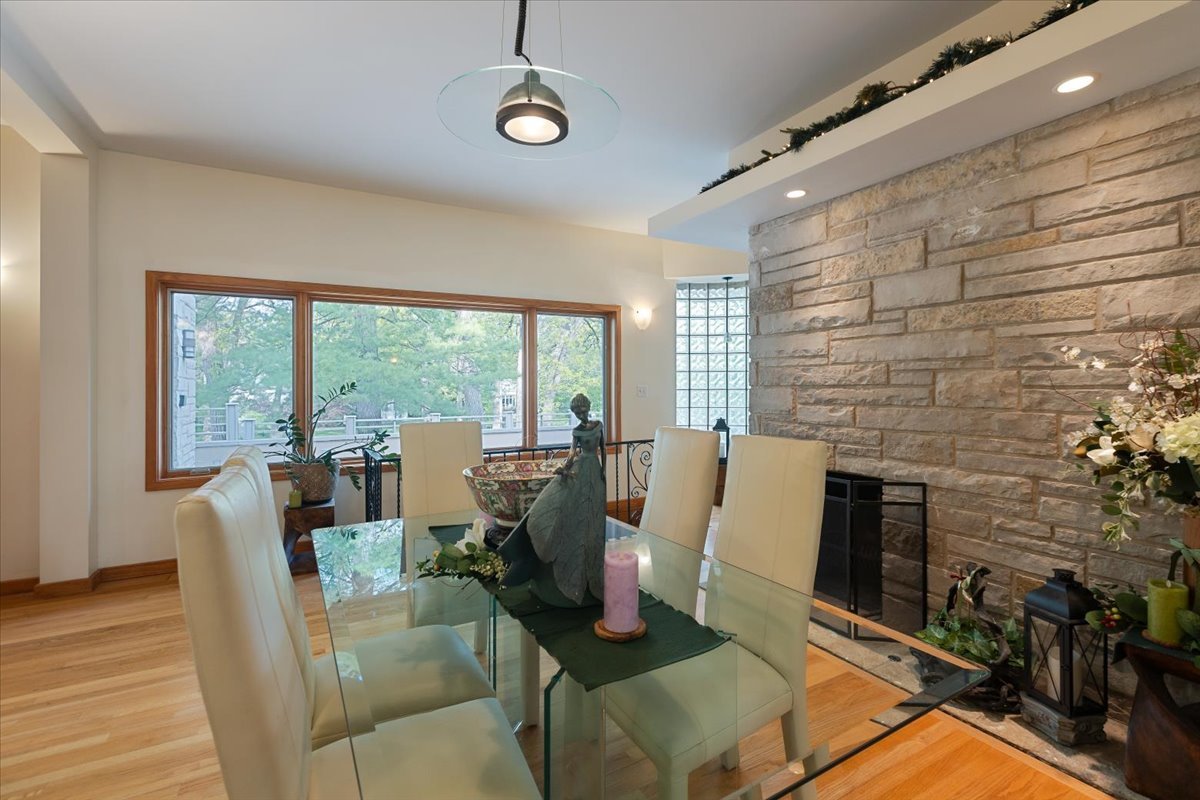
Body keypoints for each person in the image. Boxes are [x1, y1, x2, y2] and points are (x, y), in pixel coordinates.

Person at [499, 393, 606, 606]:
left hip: (595, 470)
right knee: (572, 512)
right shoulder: (576, 431)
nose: (581, 414)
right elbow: (572, 454)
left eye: (583, 410)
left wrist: (604, 473)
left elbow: (603, 448)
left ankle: (594, 571)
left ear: (588, 408)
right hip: (579, 470)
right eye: (577, 412)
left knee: (593, 516)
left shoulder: (599, 426)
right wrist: (563, 469)